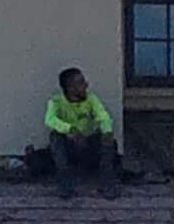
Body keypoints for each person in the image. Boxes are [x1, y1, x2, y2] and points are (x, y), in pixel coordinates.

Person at [45, 67, 120, 200]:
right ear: (70, 88)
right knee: (55, 137)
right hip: (70, 146)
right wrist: (70, 130)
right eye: (80, 83)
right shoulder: (56, 102)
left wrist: (107, 132)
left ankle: (107, 183)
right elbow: (50, 120)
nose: (86, 85)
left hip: (88, 144)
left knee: (109, 141)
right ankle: (65, 184)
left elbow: (103, 116)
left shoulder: (91, 99)